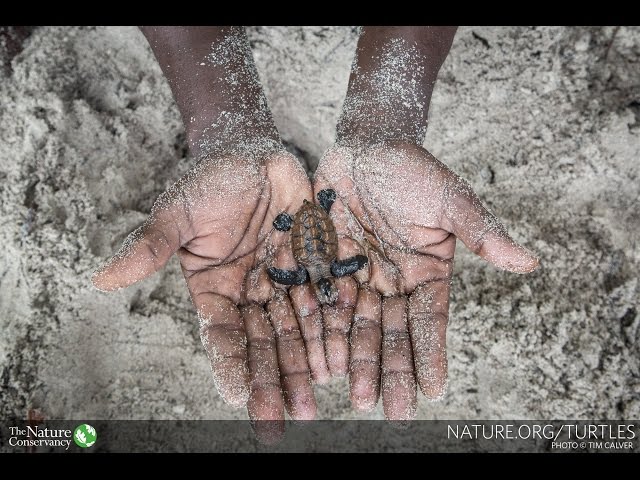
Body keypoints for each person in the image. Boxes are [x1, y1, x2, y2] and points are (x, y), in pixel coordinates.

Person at [92, 26, 538, 440]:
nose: (323, 289)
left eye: (322, 290)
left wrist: (382, 125)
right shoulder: (314, 270)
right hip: (313, 222)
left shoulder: (309, 271)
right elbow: (341, 264)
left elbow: (331, 267)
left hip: (309, 223)